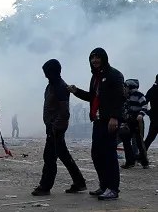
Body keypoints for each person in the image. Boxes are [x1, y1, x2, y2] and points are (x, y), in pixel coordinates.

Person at [68, 48, 125, 200]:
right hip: (98, 120)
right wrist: (76, 91)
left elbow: (119, 98)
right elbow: (92, 97)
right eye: (92, 58)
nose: (94, 60)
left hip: (109, 121)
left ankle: (113, 189)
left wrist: (114, 117)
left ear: (104, 58)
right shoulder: (95, 78)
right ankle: (104, 185)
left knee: (109, 155)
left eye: (97, 57)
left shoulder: (114, 75)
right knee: (97, 154)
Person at [32, 59, 86, 196]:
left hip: (56, 129)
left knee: (49, 157)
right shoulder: (51, 85)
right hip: (52, 127)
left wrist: (54, 127)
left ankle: (45, 186)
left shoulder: (60, 87)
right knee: (63, 155)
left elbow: (64, 111)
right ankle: (79, 182)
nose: (45, 75)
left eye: (47, 72)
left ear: (54, 72)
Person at [121, 79, 149, 169]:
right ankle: (130, 162)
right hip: (128, 122)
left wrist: (141, 114)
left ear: (130, 87)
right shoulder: (125, 97)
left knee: (139, 141)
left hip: (138, 121)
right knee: (126, 140)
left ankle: (144, 162)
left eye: (125, 87)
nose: (124, 89)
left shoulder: (139, 95)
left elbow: (145, 105)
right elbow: (124, 108)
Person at [145, 74, 158, 150]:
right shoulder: (152, 90)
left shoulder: (152, 90)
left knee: (150, 138)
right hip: (154, 117)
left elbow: (144, 102)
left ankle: (141, 155)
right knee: (150, 137)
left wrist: (148, 112)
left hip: (154, 117)